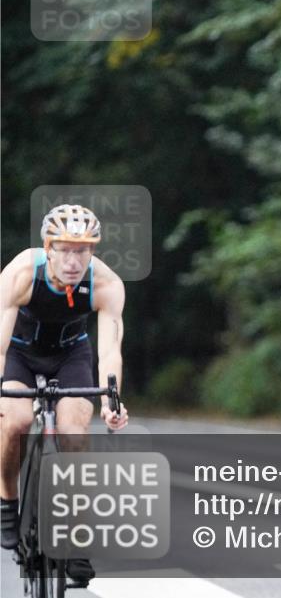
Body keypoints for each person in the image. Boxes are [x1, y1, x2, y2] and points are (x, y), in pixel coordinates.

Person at [0, 204, 129, 586]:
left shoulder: (106, 284)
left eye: (83, 250)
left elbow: (109, 351)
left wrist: (110, 402)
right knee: (16, 422)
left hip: (71, 354)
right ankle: (7, 502)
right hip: (19, 355)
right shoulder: (22, 273)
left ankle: (77, 542)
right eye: (65, 249)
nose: (74, 260)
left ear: (93, 251)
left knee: (75, 432)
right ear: (48, 247)